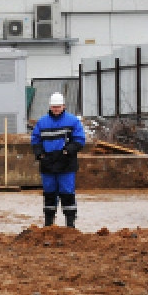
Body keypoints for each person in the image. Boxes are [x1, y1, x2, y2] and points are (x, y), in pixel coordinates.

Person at [31, 93, 86, 227]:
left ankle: (70, 224)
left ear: (63, 106)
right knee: (49, 193)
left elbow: (79, 140)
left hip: (66, 163)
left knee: (67, 193)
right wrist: (40, 154)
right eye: (54, 107)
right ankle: (49, 223)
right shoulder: (42, 122)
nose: (56, 109)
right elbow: (35, 140)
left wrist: (68, 150)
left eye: (58, 107)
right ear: (50, 106)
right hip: (48, 163)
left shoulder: (73, 121)